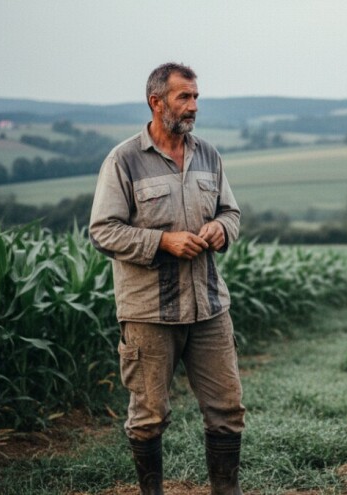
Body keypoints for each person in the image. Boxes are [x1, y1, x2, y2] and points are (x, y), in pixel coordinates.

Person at [89, 62, 245, 495]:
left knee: (227, 410)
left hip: (210, 307)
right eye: (184, 97)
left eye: (196, 97)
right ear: (156, 102)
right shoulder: (124, 160)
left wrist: (221, 229)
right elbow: (102, 230)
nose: (193, 106)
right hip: (149, 313)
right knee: (149, 416)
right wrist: (163, 242)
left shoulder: (209, 155)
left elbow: (231, 212)